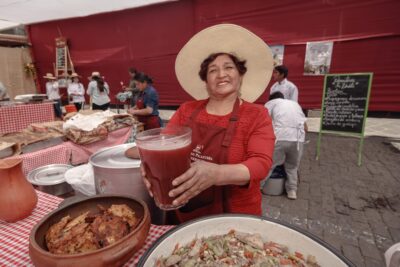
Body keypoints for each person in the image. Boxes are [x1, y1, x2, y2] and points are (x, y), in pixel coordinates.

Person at [142, 24, 276, 223]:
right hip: (184, 208)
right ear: (205, 80)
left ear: (240, 75)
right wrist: (148, 165)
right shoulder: (187, 110)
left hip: (235, 215)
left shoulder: (257, 114)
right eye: (213, 70)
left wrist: (217, 174)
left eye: (229, 67)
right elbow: (164, 144)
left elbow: (260, 164)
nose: (221, 74)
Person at [262, 91, 307, 200]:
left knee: (269, 164)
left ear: (271, 99)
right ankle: (292, 191)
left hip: (281, 137)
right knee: (292, 166)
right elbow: (306, 128)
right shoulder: (295, 105)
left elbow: (262, 122)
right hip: (298, 139)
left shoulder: (271, 103)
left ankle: (258, 187)